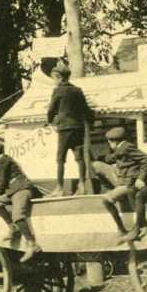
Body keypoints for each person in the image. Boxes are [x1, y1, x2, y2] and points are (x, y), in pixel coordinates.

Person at [0, 140, 42, 263]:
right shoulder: (4, 160)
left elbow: (1, 181)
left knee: (18, 215)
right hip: (13, 191)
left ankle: (32, 244)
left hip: (22, 189)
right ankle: (13, 228)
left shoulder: (3, 161)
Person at [92, 126, 147, 237]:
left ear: (112, 141)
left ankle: (124, 228)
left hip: (129, 183)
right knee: (96, 165)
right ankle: (128, 227)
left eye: (109, 142)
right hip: (123, 179)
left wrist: (140, 178)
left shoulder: (126, 147)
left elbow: (145, 159)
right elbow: (113, 158)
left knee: (105, 200)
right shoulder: (122, 147)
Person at [46, 61, 94, 197]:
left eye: (54, 78)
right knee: (79, 158)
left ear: (60, 77)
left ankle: (60, 188)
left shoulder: (58, 91)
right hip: (78, 127)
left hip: (64, 128)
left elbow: (51, 109)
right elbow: (85, 109)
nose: (53, 81)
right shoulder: (77, 90)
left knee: (60, 158)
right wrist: (91, 122)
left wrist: (51, 122)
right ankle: (82, 185)